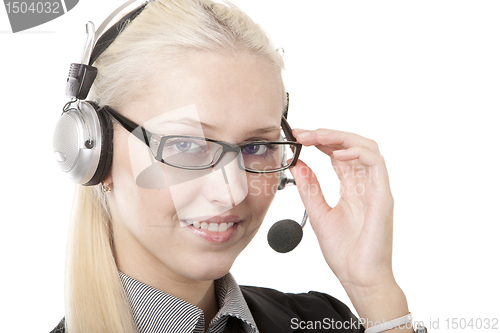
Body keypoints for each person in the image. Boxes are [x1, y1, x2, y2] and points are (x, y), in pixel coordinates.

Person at [51, 0, 423, 332]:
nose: (232, 190)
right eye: (186, 145)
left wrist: (374, 290)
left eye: (256, 146)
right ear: (95, 151)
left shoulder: (321, 320)